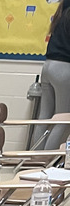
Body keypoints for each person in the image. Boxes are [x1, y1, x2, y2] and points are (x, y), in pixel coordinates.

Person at [39, 0, 70, 151]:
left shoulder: (62, 12)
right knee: (63, 119)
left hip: (48, 66)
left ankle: (34, 158)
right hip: (63, 70)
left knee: (43, 117)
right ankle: (46, 159)